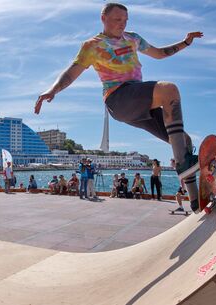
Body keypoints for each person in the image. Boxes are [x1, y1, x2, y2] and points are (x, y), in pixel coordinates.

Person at [35, 3, 203, 211]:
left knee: (184, 141)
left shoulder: (133, 38)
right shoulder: (93, 45)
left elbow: (159, 53)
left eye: (125, 21)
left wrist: (186, 42)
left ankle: (196, 199)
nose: (122, 25)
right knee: (169, 90)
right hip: (118, 97)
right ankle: (185, 166)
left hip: (139, 101)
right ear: (103, 18)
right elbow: (72, 71)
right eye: (117, 20)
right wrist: (53, 90)